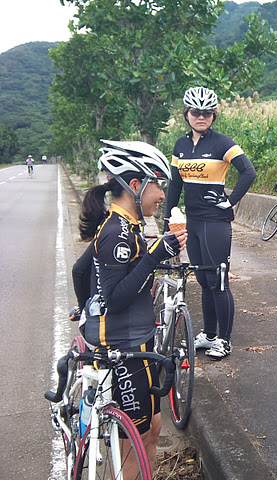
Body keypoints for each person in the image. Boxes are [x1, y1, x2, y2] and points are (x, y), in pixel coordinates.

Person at [74, 139, 187, 473]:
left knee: (152, 428)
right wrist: (155, 255)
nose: (163, 194)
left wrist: (84, 307)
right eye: (159, 185)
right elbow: (117, 298)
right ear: (135, 185)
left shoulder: (130, 226)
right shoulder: (116, 232)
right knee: (132, 442)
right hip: (125, 346)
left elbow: (81, 269)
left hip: (140, 339)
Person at [164, 86, 257, 359]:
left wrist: (230, 201)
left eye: (206, 113)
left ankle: (224, 340)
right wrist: (168, 215)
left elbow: (248, 172)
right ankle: (209, 334)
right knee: (203, 279)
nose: (201, 117)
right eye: (196, 112)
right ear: (187, 114)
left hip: (215, 222)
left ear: (213, 115)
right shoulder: (181, 146)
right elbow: (175, 183)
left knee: (218, 280)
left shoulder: (222, 143)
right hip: (191, 221)